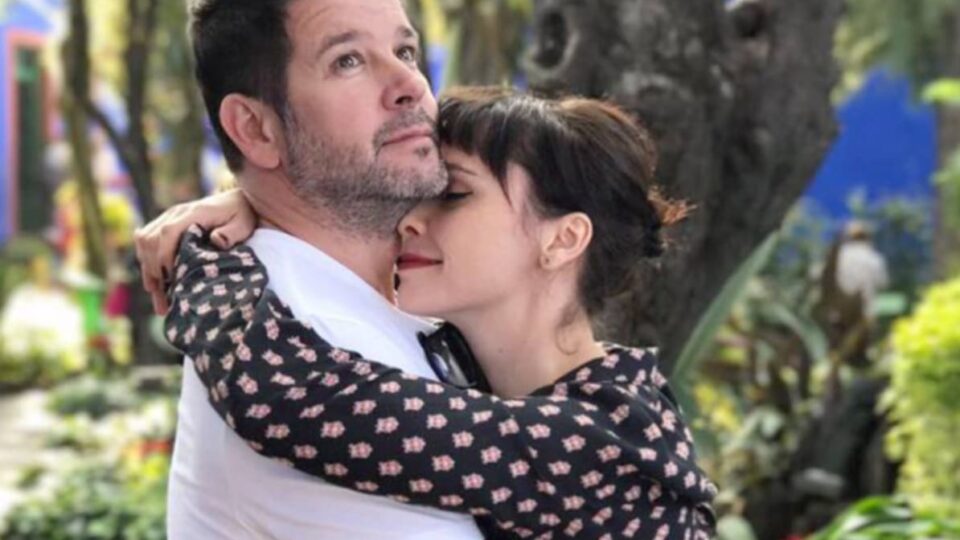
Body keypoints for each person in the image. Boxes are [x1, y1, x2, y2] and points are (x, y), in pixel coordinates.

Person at [140, 87, 717, 538]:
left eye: (453, 194)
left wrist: (205, 257)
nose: (411, 220)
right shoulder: (471, 373)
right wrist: (258, 206)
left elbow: (289, 395)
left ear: (563, 240)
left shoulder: (604, 440)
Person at [140, 0, 485, 537]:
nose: (410, 85)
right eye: (347, 61)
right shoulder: (303, 339)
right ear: (255, 130)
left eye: (404, 51)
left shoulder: (401, 286)